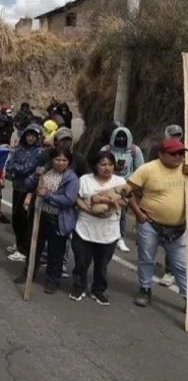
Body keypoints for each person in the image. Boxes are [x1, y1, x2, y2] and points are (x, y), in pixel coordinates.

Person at [128, 138, 188, 308]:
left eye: (181, 153)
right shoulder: (147, 169)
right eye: (173, 153)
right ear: (161, 154)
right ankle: (145, 289)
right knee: (146, 258)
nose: (178, 157)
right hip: (150, 223)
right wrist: (138, 213)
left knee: (180, 264)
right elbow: (127, 190)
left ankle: (187, 297)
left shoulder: (186, 168)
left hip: (178, 227)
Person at [13, 148, 78, 294]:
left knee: (56, 253)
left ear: (68, 162)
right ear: (51, 160)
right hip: (39, 216)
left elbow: (69, 199)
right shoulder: (44, 171)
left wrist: (48, 195)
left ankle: (52, 281)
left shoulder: (71, 178)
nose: (61, 163)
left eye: (64, 160)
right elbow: (26, 185)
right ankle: (28, 273)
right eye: (58, 159)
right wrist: (35, 176)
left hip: (58, 220)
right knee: (34, 247)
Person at [70, 151, 128, 305]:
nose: (107, 168)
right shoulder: (85, 180)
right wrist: (89, 210)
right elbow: (76, 198)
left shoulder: (120, 181)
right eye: (103, 164)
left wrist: (104, 200)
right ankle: (79, 286)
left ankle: (98, 290)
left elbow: (125, 201)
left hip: (109, 232)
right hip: (85, 228)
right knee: (81, 262)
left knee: (102, 265)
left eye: (110, 164)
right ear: (96, 166)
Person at [100, 126, 144, 253]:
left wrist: (132, 185)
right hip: (107, 184)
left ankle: (120, 238)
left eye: (123, 137)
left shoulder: (134, 151)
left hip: (125, 186)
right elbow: (99, 163)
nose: (120, 139)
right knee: (105, 208)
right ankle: (104, 234)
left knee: (122, 213)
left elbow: (140, 169)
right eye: (118, 136)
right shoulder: (106, 149)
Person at [5, 124, 43, 262]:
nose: (30, 138)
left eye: (33, 136)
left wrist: (16, 169)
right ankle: (19, 243)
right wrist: (15, 169)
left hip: (29, 189)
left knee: (24, 219)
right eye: (28, 135)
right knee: (16, 218)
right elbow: (9, 165)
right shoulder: (20, 149)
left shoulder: (39, 152)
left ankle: (24, 249)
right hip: (17, 187)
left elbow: (28, 169)